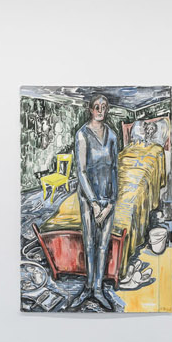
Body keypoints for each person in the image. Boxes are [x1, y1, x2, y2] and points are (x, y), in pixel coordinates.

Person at [66, 93, 122, 312]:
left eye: (104, 106)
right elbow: (80, 171)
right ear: (90, 109)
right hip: (89, 198)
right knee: (89, 243)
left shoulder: (112, 135)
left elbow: (115, 169)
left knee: (103, 245)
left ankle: (98, 289)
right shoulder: (82, 134)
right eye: (96, 106)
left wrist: (110, 203)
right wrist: (95, 203)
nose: (100, 110)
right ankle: (88, 286)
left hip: (108, 199)